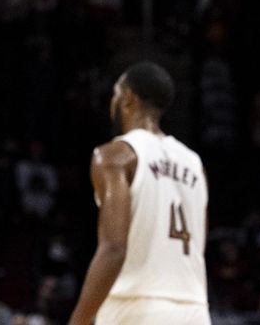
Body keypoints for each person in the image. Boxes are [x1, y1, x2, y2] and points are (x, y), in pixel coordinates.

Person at [68, 61, 210, 325]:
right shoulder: (195, 164)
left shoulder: (115, 156)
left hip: (135, 307)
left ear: (128, 97)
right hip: (195, 309)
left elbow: (113, 249)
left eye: (115, 94)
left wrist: (78, 320)